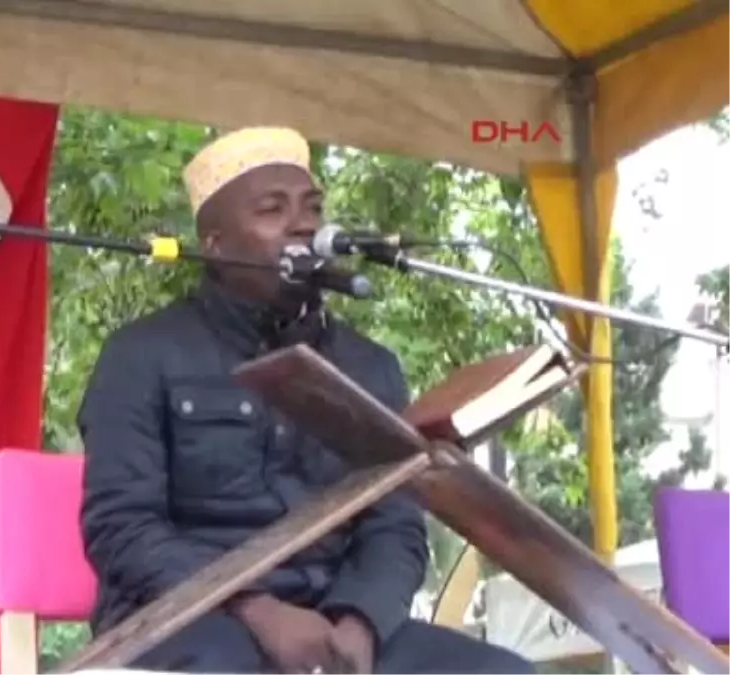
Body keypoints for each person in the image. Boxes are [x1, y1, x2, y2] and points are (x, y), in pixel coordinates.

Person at [77, 127, 535, 674]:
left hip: (337, 621)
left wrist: (360, 625)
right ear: (215, 244)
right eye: (272, 210)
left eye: (313, 208)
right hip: (186, 620)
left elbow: (394, 526)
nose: (304, 225)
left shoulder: (370, 367)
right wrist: (258, 610)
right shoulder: (142, 354)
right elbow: (122, 527)